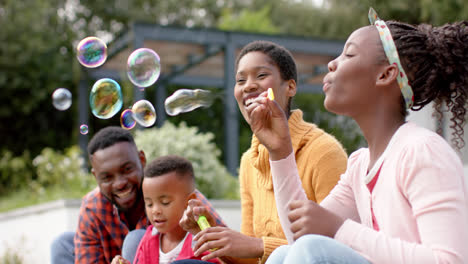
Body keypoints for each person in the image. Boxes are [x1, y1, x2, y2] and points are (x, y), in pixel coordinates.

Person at [245, 8, 468, 264]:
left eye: (349, 54)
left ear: (385, 74)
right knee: (284, 254)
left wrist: (340, 229)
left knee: (313, 250)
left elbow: (451, 260)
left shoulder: (421, 150)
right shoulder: (359, 167)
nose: (332, 63)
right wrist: (280, 151)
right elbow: (298, 235)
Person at [179, 40, 348, 263]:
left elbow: (333, 249)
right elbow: (250, 257)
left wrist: (259, 245)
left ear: (290, 87)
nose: (248, 85)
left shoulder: (324, 152)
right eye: (241, 80)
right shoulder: (249, 162)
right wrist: (210, 230)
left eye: (260, 76)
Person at [50, 126, 224, 264]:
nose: (120, 183)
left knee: (135, 238)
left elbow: (223, 244)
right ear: (96, 176)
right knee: (62, 244)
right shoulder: (92, 207)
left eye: (127, 169)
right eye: (107, 177)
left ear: (141, 159)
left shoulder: (172, 189)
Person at [111, 155, 220, 264]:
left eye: (165, 203)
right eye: (149, 204)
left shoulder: (202, 240)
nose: (155, 211)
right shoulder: (149, 239)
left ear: (189, 202)